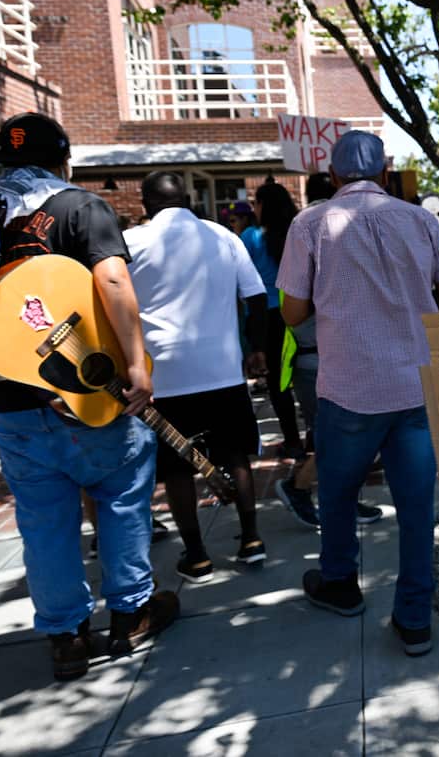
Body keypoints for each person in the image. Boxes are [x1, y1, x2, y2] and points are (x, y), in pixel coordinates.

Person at [0, 113, 178, 680]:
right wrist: (134, 364)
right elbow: (114, 282)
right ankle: (131, 614)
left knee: (43, 520)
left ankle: (67, 636)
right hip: (86, 389)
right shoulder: (82, 207)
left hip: (11, 402)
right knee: (122, 498)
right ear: (64, 160)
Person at [276, 131, 439, 657]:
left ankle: (339, 585)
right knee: (415, 509)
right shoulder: (422, 221)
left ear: (333, 175)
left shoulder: (310, 223)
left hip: (347, 387)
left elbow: (292, 313)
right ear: (385, 171)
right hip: (414, 387)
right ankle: (414, 620)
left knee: (336, 495)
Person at [124, 171, 269, 581]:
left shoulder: (132, 243)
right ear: (187, 198)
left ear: (145, 203)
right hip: (222, 367)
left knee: (176, 467)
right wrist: (256, 348)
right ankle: (252, 539)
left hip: (164, 373)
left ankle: (197, 555)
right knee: (236, 454)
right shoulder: (223, 236)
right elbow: (256, 296)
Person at [275, 172, 383, 530]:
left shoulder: (311, 234)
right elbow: (297, 312)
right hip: (316, 359)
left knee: (343, 436)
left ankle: (343, 501)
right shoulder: (313, 236)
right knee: (337, 437)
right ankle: (299, 487)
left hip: (324, 356)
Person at [240, 179, 305, 459]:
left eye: (255, 203)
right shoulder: (299, 231)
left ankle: (293, 441)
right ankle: (316, 435)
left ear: (263, 205)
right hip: (301, 309)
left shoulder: (251, 237)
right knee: (310, 374)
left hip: (265, 315)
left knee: (279, 382)